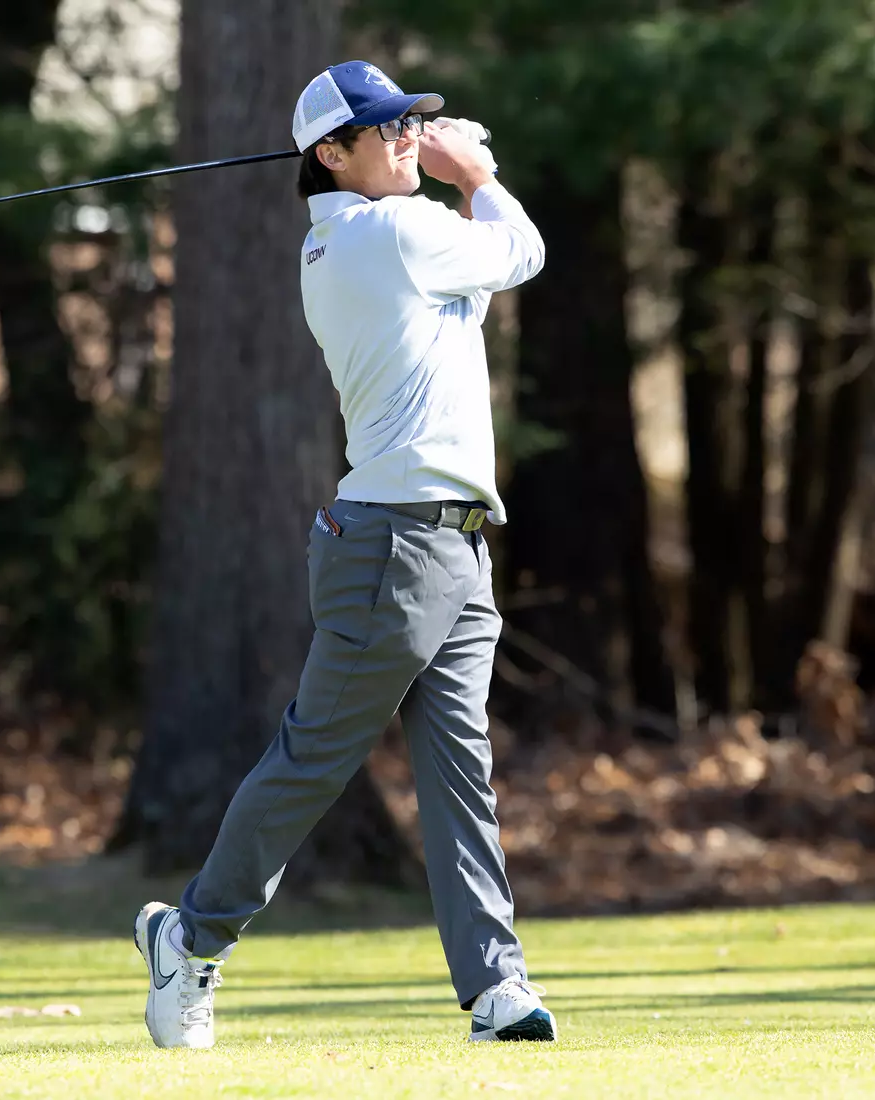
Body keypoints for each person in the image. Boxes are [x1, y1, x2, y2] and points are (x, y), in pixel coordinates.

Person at [135, 59, 551, 1049]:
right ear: (332, 152)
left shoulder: (374, 238)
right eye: (391, 129)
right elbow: (522, 251)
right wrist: (475, 173)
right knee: (315, 757)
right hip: (396, 546)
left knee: (460, 771)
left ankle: (497, 988)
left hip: (453, 546)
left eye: (415, 124)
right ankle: (190, 935)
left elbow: (477, 282)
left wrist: (451, 180)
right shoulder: (386, 232)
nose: (411, 137)